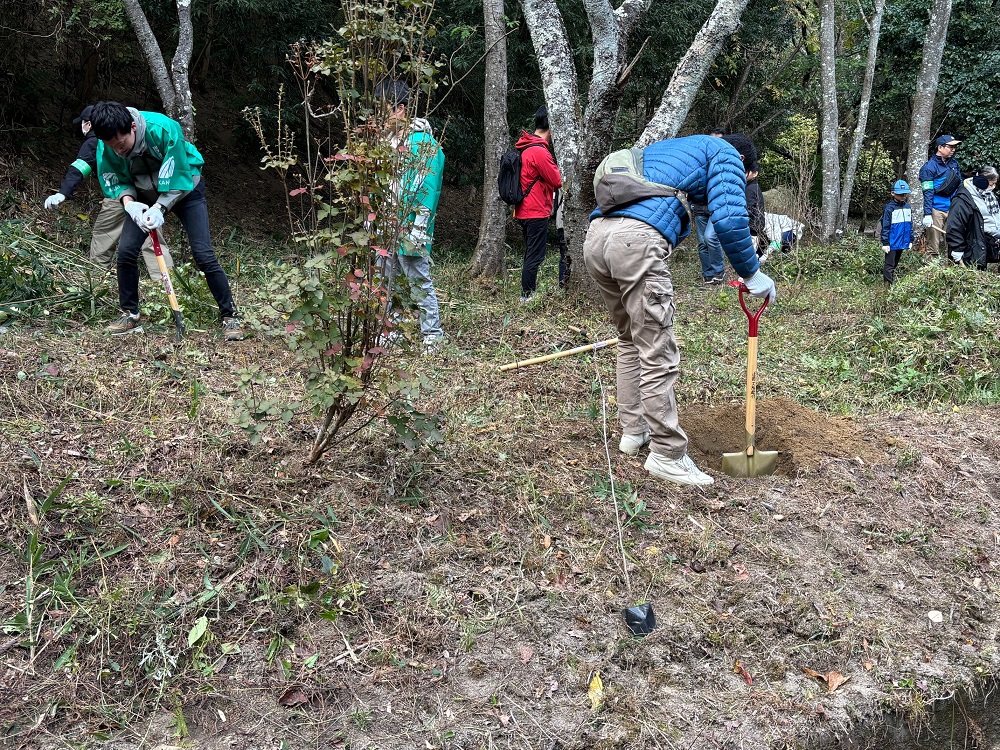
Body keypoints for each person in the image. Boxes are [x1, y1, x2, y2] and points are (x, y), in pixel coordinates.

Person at [584, 133, 776, 487]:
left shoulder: (675, 151)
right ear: (747, 169)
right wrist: (752, 273)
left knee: (629, 341)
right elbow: (730, 218)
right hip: (636, 241)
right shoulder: (726, 155)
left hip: (597, 238)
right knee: (658, 351)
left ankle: (634, 432)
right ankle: (667, 455)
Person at [89, 101, 244, 340]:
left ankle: (230, 316)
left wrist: (160, 207)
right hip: (142, 192)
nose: (118, 150)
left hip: (184, 189)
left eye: (121, 143)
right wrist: (131, 205)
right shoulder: (106, 145)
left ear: (132, 127)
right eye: (112, 145)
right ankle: (130, 313)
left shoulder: (162, 129)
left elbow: (180, 173)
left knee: (203, 253)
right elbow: (116, 179)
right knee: (127, 251)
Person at [44, 104, 174, 281]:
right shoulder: (124, 135)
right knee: (151, 238)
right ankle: (166, 282)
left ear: (89, 124)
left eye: (83, 123)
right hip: (144, 193)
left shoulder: (96, 142)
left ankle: (94, 280)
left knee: (104, 237)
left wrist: (63, 193)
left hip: (118, 196)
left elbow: (79, 167)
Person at [377, 80, 447, 352]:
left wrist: (418, 225)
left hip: (410, 223)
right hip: (384, 222)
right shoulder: (384, 143)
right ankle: (390, 328)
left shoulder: (423, 143)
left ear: (401, 109)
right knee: (385, 279)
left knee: (417, 277)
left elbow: (427, 188)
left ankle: (432, 333)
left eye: (383, 111)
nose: (379, 119)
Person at [513, 106, 562, 301]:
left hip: (523, 209)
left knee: (530, 252)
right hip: (535, 210)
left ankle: (527, 292)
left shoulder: (524, 146)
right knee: (535, 255)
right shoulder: (539, 151)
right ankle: (527, 295)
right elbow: (557, 180)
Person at [690, 127, 727, 285]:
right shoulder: (699, 160)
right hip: (699, 206)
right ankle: (708, 273)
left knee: (710, 237)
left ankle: (719, 270)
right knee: (702, 243)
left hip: (716, 207)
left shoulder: (726, 161)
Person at [945, 167, 1000, 271]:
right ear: (981, 182)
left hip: (991, 243)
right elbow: (955, 226)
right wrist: (957, 250)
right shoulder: (963, 200)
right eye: (991, 184)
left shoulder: (989, 196)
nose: (993, 187)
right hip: (974, 246)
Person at [919, 134, 963, 257]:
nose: (953, 150)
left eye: (954, 147)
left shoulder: (953, 164)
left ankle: (953, 272)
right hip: (936, 210)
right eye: (950, 147)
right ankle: (930, 273)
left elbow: (959, 184)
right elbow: (927, 192)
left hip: (953, 208)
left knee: (954, 244)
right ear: (940, 148)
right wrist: (928, 214)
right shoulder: (928, 168)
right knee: (933, 247)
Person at [880, 179, 914, 284]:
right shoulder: (889, 208)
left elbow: (910, 224)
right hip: (892, 242)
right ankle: (887, 286)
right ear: (893, 193)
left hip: (903, 240)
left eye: (905, 194)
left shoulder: (907, 207)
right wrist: (885, 242)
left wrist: (910, 239)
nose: (903, 196)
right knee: (889, 265)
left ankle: (892, 284)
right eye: (901, 194)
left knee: (895, 264)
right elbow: (885, 226)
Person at [552, 189, 570, 289]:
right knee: (565, 256)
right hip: (564, 221)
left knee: (564, 256)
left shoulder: (559, 178)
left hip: (561, 222)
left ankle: (562, 286)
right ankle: (563, 285)